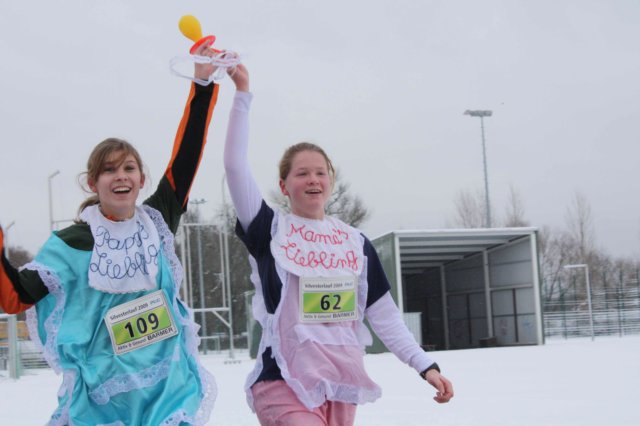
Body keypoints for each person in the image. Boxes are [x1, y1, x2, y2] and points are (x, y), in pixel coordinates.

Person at [0, 40, 222, 425]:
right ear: (92, 182)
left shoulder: (156, 221)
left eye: (129, 168)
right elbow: (15, 298)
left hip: (167, 390)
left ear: (141, 179)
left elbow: (187, 157)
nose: (120, 176)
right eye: (109, 170)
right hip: (104, 399)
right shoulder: (72, 244)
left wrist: (202, 85)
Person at [223, 64, 454, 425]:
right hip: (283, 381)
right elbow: (235, 167)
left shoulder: (355, 243)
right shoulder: (269, 229)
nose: (313, 180)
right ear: (284, 186)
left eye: (321, 173)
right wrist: (242, 93)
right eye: (302, 173)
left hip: (340, 385)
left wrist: (426, 365)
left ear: (331, 182)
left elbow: (385, 317)